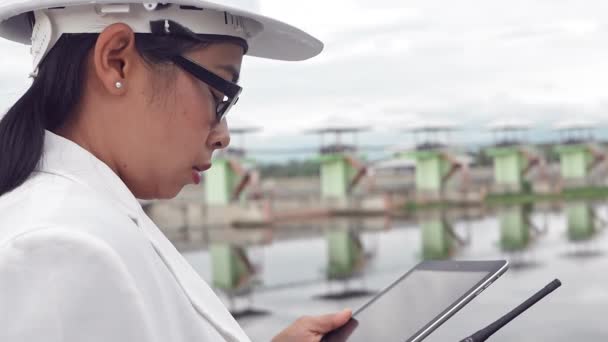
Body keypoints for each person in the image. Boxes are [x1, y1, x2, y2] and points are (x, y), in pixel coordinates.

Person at [0, 1, 351, 341]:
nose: (223, 135)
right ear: (116, 61)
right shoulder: (55, 253)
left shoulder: (84, 224)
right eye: (220, 95)